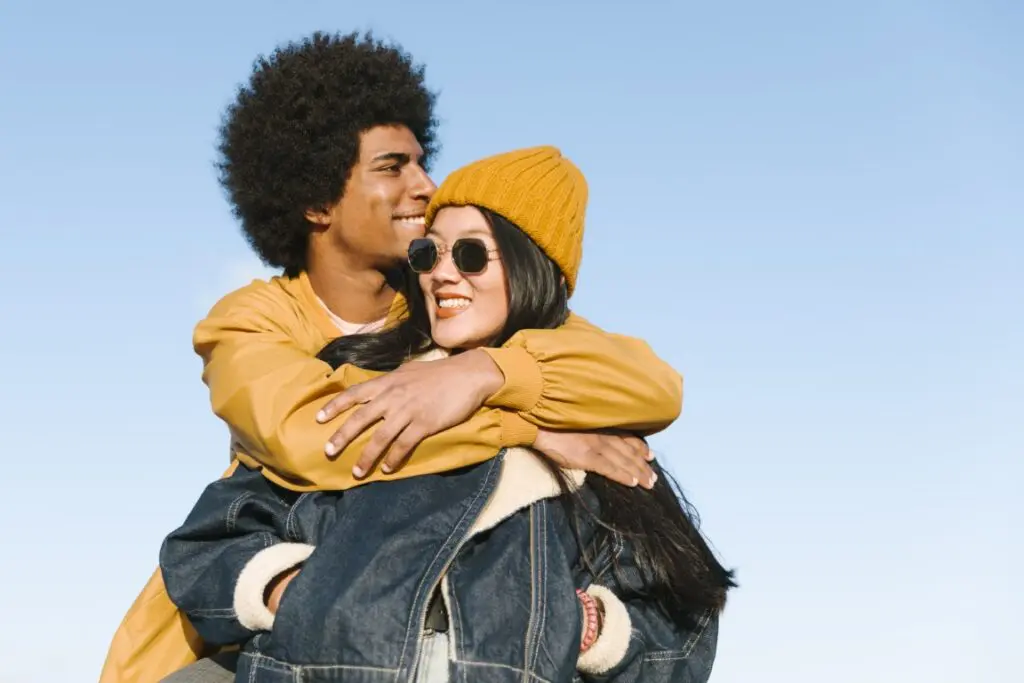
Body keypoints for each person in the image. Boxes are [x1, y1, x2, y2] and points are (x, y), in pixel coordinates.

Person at [100, 33, 683, 683]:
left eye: (422, 162)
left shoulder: (452, 320)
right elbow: (312, 435)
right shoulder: (251, 320)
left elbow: (644, 380)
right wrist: (529, 430)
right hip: (239, 640)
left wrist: (480, 372)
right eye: (392, 166)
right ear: (318, 199)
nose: (424, 184)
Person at [161, 146, 735, 683]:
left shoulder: (593, 429)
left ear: (533, 268)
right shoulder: (363, 382)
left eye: (471, 254)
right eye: (427, 251)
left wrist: (591, 629)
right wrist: (292, 590)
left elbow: (684, 619)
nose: (440, 273)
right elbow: (208, 546)